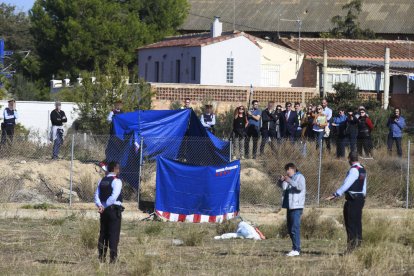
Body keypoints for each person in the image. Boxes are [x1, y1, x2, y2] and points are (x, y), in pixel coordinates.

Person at [326, 152, 367, 252]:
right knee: (357, 223)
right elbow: (364, 185)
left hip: (352, 200)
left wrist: (335, 194)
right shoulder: (362, 169)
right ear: (357, 158)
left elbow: (346, 184)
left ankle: (351, 248)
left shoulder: (353, 170)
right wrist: (363, 196)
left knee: (350, 223)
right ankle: (358, 246)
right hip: (360, 198)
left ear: (349, 159)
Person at [95, 161, 124, 263]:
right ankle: (113, 259)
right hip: (113, 210)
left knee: (103, 234)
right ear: (115, 169)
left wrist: (100, 206)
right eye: (118, 168)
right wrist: (105, 206)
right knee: (113, 234)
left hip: (103, 211)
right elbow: (113, 197)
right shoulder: (117, 181)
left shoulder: (101, 180)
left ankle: (101, 258)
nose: (119, 170)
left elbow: (96, 196)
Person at [277, 163, 306, 257]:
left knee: (294, 228)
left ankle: (297, 249)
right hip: (289, 206)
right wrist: (281, 181)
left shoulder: (300, 177)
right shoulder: (288, 178)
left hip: (296, 206)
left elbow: (300, 187)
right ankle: (294, 248)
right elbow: (283, 187)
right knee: (290, 228)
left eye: (288, 170)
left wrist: (289, 180)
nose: (286, 172)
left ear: (293, 169)